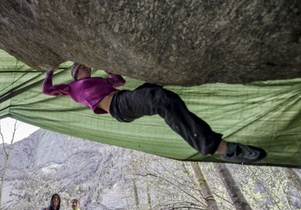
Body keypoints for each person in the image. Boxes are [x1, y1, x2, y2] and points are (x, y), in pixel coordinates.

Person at [42, 63, 267, 163]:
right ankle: (219, 148)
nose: (87, 67)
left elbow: (119, 81)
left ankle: (209, 140)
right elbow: (47, 90)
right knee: (160, 100)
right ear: (75, 72)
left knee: (159, 89)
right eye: (82, 66)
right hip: (118, 107)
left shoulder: (98, 79)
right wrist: (50, 71)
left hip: (124, 99)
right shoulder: (72, 89)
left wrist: (106, 65)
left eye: (88, 66)